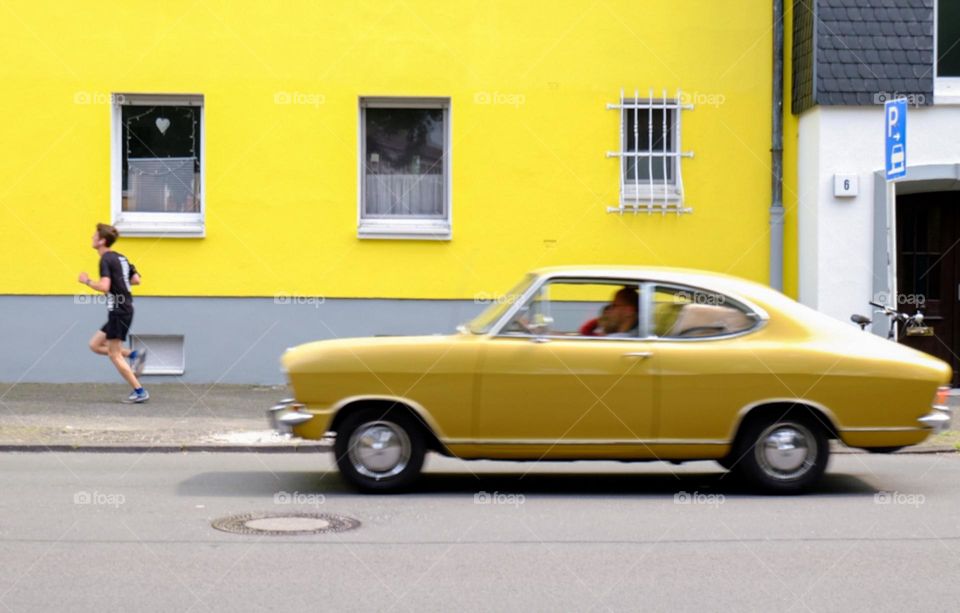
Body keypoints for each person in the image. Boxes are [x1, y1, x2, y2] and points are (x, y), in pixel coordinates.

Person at [78, 223, 149, 403]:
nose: (92, 239)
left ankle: (140, 391)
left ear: (102, 241)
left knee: (113, 354)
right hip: (122, 308)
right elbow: (136, 280)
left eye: (94, 237)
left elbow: (104, 286)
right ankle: (134, 355)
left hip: (119, 310)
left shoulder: (106, 259)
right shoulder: (121, 258)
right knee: (94, 345)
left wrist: (87, 281)